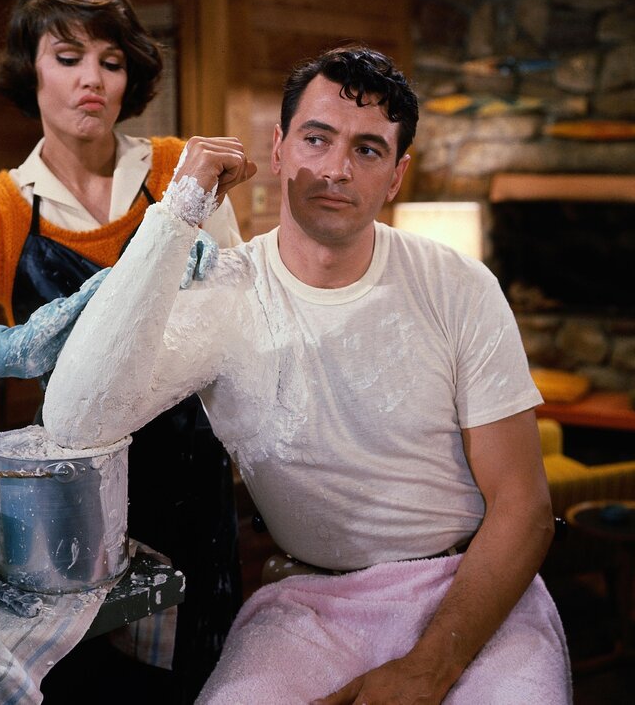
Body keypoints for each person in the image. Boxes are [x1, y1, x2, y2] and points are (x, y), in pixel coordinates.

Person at [43, 45, 572, 703]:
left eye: (368, 150)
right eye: (316, 139)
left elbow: (525, 508)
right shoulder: (224, 295)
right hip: (309, 601)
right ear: (279, 149)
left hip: (471, 592)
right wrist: (178, 210)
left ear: (396, 176)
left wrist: (426, 669)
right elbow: (74, 420)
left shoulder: (458, 285)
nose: (335, 169)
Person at [0, 0, 243, 703]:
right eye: (67, 57)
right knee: (94, 680)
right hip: (68, 495)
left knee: (198, 669)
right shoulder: (2, 211)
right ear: (29, 70)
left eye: (111, 60)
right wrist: (9, 347)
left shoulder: (180, 172)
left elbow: (236, 317)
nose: (91, 79)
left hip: (191, 476)